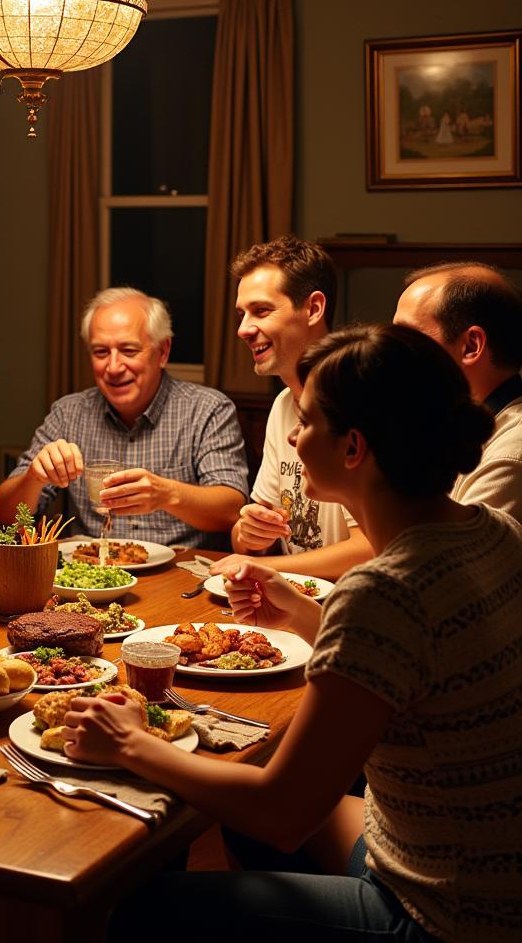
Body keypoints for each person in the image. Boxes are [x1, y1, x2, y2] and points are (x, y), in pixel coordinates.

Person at [64, 323, 522, 942]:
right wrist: (302, 614)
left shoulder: (384, 591)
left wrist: (129, 745)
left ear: (353, 447)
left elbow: (281, 811)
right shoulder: (492, 529)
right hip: (463, 860)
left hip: (449, 915)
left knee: (142, 906)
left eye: (306, 423)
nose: (295, 439)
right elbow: (417, 660)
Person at [0, 287, 247, 550]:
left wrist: (167, 495)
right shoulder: (69, 413)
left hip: (180, 575)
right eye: (101, 352)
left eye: (128, 350)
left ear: (162, 352)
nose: (113, 367)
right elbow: (3, 523)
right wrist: (34, 477)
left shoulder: (207, 409)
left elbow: (232, 510)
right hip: (89, 574)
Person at [213, 236, 372, 580]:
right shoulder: (284, 403)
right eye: (241, 314)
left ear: (314, 308)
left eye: (261, 311)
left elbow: (373, 547)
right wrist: (250, 535)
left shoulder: (359, 399)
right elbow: (249, 539)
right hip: (292, 602)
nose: (243, 330)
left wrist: (264, 566)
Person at [394, 261, 522, 524]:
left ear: (471, 346)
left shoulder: (511, 452)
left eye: (406, 337)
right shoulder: (444, 426)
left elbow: (449, 558)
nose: (389, 351)